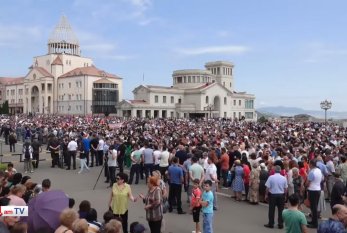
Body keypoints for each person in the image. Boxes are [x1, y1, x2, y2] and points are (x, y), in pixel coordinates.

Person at [306, 159, 323, 228]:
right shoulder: (319, 170)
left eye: (309, 164)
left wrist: (305, 186)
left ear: (311, 164)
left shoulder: (312, 172)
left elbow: (308, 182)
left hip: (312, 190)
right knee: (314, 207)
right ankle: (313, 221)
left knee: (313, 208)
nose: (309, 165)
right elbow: (322, 179)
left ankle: (314, 223)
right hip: (318, 189)